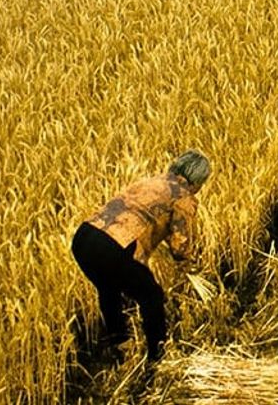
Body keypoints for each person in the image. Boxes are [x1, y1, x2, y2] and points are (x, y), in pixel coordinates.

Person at [70, 150, 210, 364]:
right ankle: (159, 357)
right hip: (114, 246)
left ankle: (119, 346)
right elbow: (180, 247)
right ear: (197, 181)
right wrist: (192, 264)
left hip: (84, 237)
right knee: (151, 295)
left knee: (109, 288)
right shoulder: (184, 197)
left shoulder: (153, 181)